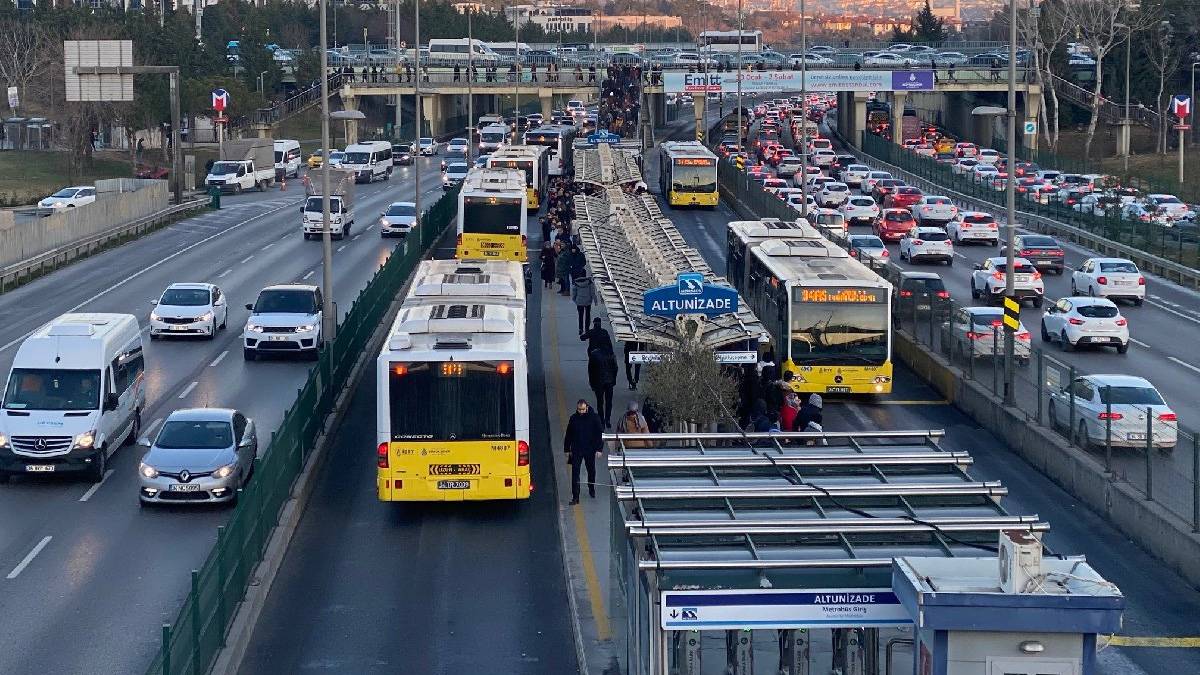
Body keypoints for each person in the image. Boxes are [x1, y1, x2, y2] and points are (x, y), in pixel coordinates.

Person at [563, 399, 604, 504]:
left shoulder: (594, 418)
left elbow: (599, 434)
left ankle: (591, 487)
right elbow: (569, 435)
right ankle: (575, 497)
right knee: (575, 473)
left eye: (582, 409)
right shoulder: (573, 418)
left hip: (590, 450)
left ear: (587, 408)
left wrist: (599, 449)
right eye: (579, 409)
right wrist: (567, 449)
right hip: (576, 450)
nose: (580, 411)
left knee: (591, 470)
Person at [588, 348, 618, 428]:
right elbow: (615, 368)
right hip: (609, 382)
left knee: (600, 402)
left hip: (598, 382)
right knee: (609, 402)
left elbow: (590, 371)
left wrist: (592, 383)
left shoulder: (594, 355)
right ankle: (607, 419)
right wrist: (614, 379)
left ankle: (601, 420)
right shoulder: (610, 354)